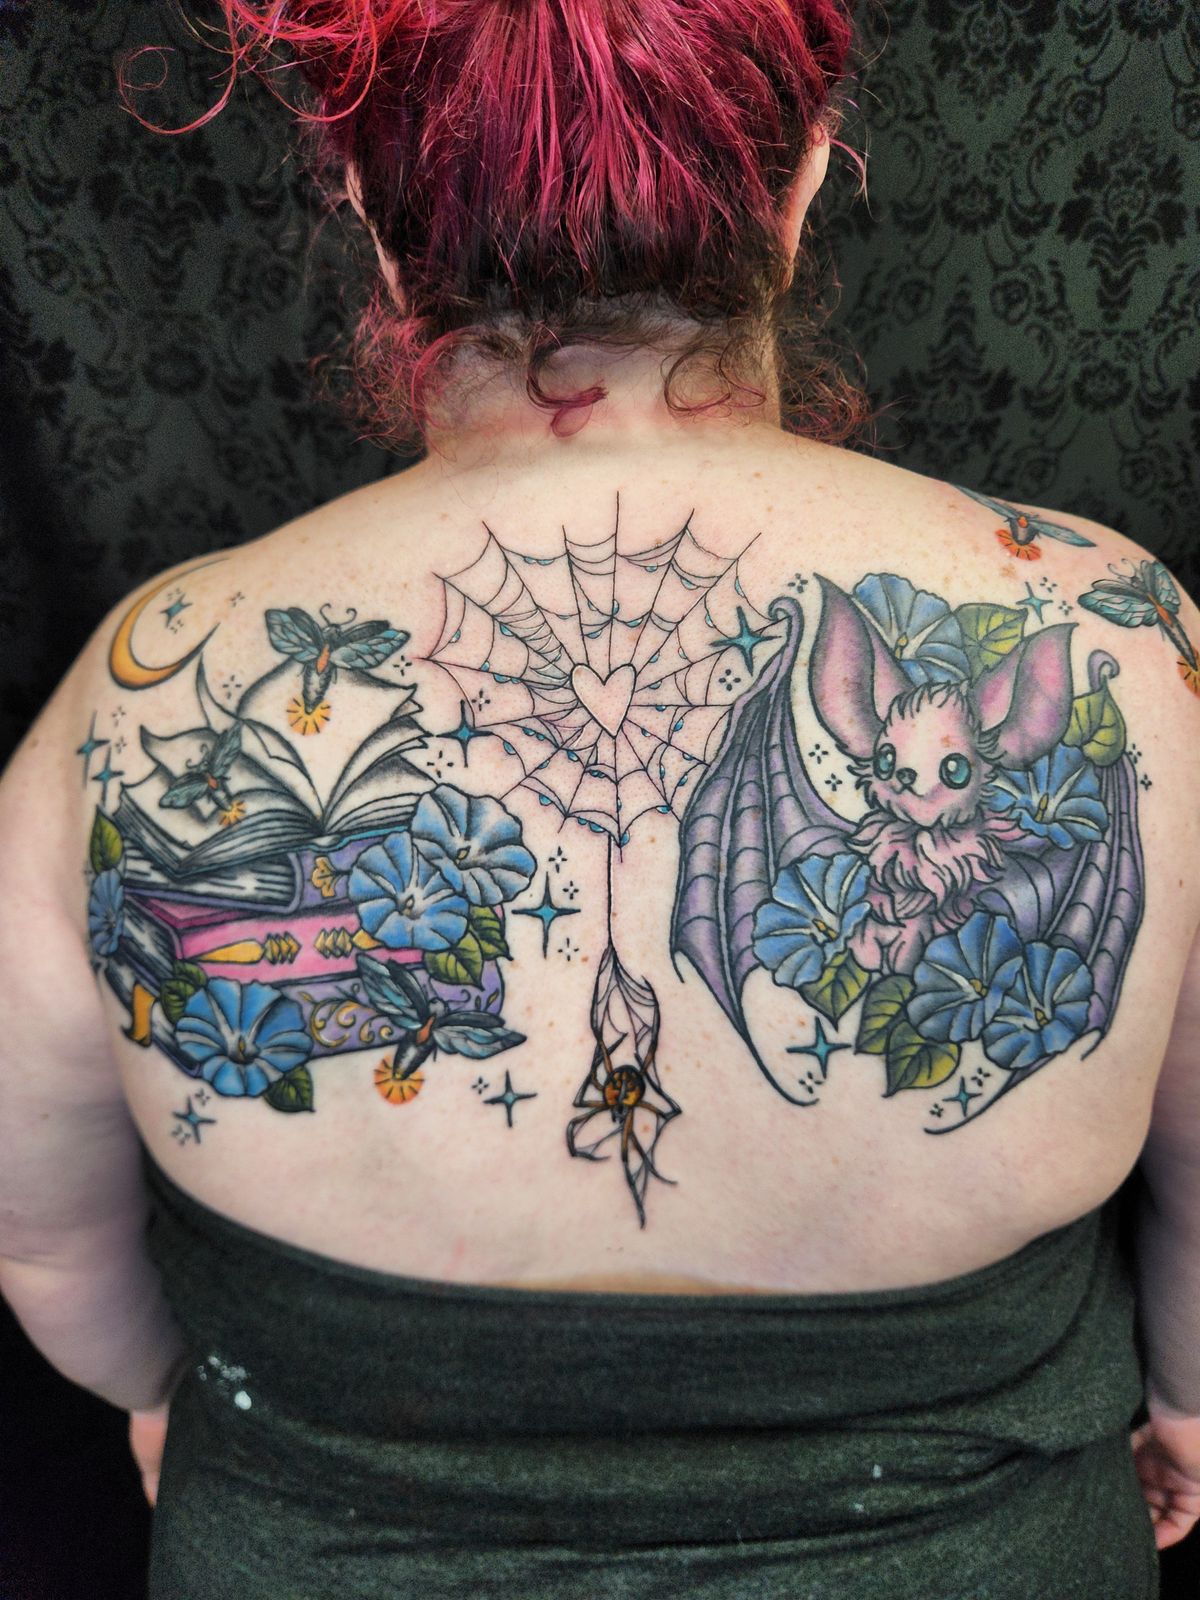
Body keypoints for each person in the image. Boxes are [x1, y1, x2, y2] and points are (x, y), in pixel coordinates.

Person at [1, 3, 1198, 1594]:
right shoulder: (1126, 639)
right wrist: (1186, 1402)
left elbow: (47, 1243)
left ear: (367, 207)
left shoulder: (136, 690)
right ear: (804, 179)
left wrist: (180, 1407)